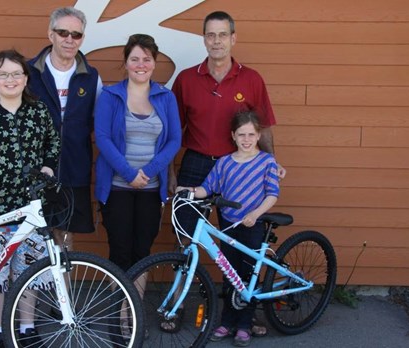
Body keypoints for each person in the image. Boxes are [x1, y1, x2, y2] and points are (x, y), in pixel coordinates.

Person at [170, 10, 286, 338]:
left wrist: (270, 164)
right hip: (195, 165)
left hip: (240, 167)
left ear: (233, 38)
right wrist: (170, 172)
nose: (217, 41)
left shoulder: (251, 79)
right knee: (188, 240)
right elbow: (173, 132)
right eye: (211, 35)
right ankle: (176, 307)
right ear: (203, 39)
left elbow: (262, 130)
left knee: (239, 243)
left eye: (223, 35)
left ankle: (240, 312)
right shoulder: (187, 79)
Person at [0, 49, 60, 348]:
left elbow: (53, 144)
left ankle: (27, 326)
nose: (10, 79)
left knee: (28, 267)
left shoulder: (38, 111)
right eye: (3, 74)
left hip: (31, 207)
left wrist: (49, 165)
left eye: (16, 73)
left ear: (26, 78)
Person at [176, 110, 280, 347]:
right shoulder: (225, 162)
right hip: (229, 224)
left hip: (253, 224)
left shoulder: (266, 161)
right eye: (241, 134)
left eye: (251, 134)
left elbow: (272, 194)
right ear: (233, 135)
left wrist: (255, 214)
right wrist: (189, 192)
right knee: (229, 271)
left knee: (248, 274)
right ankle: (227, 320)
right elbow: (207, 188)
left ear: (258, 135)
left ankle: (244, 324)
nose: (246, 139)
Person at [94, 33, 181, 272]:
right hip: (117, 187)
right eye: (134, 59)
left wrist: (148, 172)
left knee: (143, 253)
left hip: (151, 189)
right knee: (120, 251)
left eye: (146, 59)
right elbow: (102, 138)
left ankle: (136, 308)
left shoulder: (166, 97)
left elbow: (175, 140)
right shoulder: (110, 96)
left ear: (154, 62)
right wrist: (129, 173)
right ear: (125, 62)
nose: (140, 65)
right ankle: (120, 310)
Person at [27, 6, 102, 251]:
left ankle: (63, 290)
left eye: (76, 34)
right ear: (51, 35)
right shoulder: (28, 73)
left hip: (73, 168)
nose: (69, 39)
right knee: (32, 237)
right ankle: (30, 290)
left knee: (66, 237)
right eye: (63, 32)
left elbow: (97, 121)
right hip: (34, 169)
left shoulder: (91, 76)